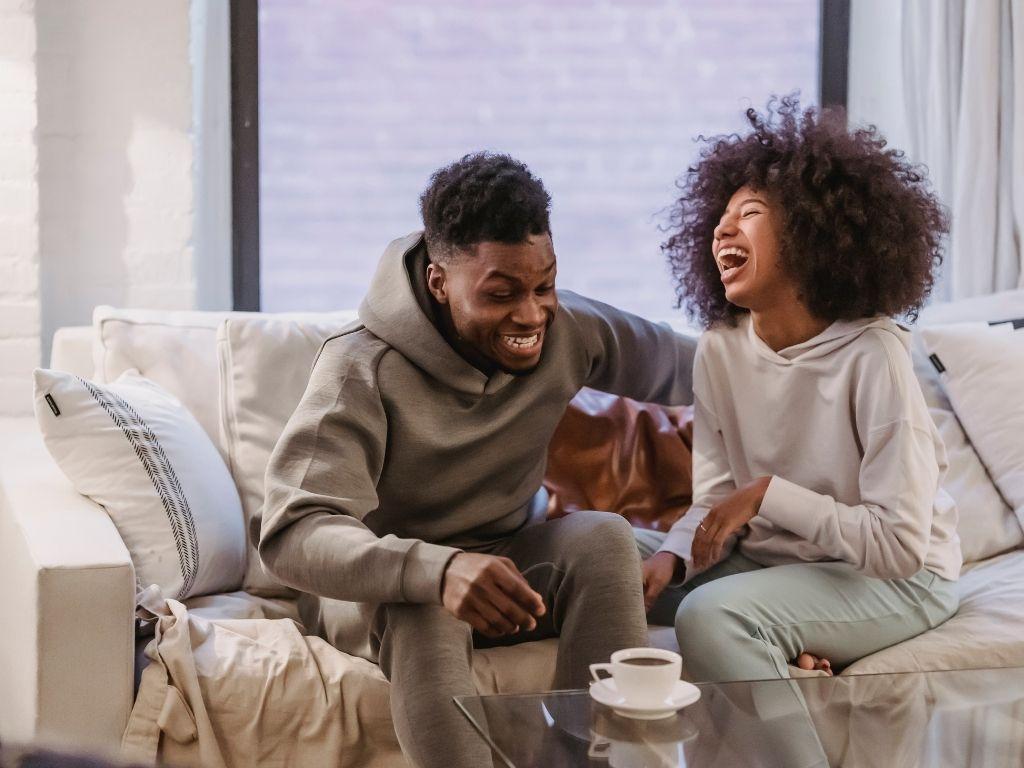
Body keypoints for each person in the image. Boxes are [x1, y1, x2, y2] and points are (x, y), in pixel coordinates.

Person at [259, 152, 698, 768]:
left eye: (542, 286)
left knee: (604, 537)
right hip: (391, 590)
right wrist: (435, 570)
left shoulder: (568, 328)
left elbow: (700, 369)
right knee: (428, 612)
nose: (531, 314)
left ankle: (595, 762)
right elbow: (291, 533)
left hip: (509, 568)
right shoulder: (359, 367)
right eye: (501, 294)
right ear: (440, 282)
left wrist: (841, 353)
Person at [638, 96, 962, 685]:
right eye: (722, 216)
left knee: (712, 615)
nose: (722, 229)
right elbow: (714, 503)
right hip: (773, 563)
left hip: (896, 580)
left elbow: (899, 547)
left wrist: (767, 496)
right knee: (610, 564)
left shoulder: (874, 353)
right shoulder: (720, 347)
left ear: (815, 234)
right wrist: (671, 555)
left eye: (751, 213)